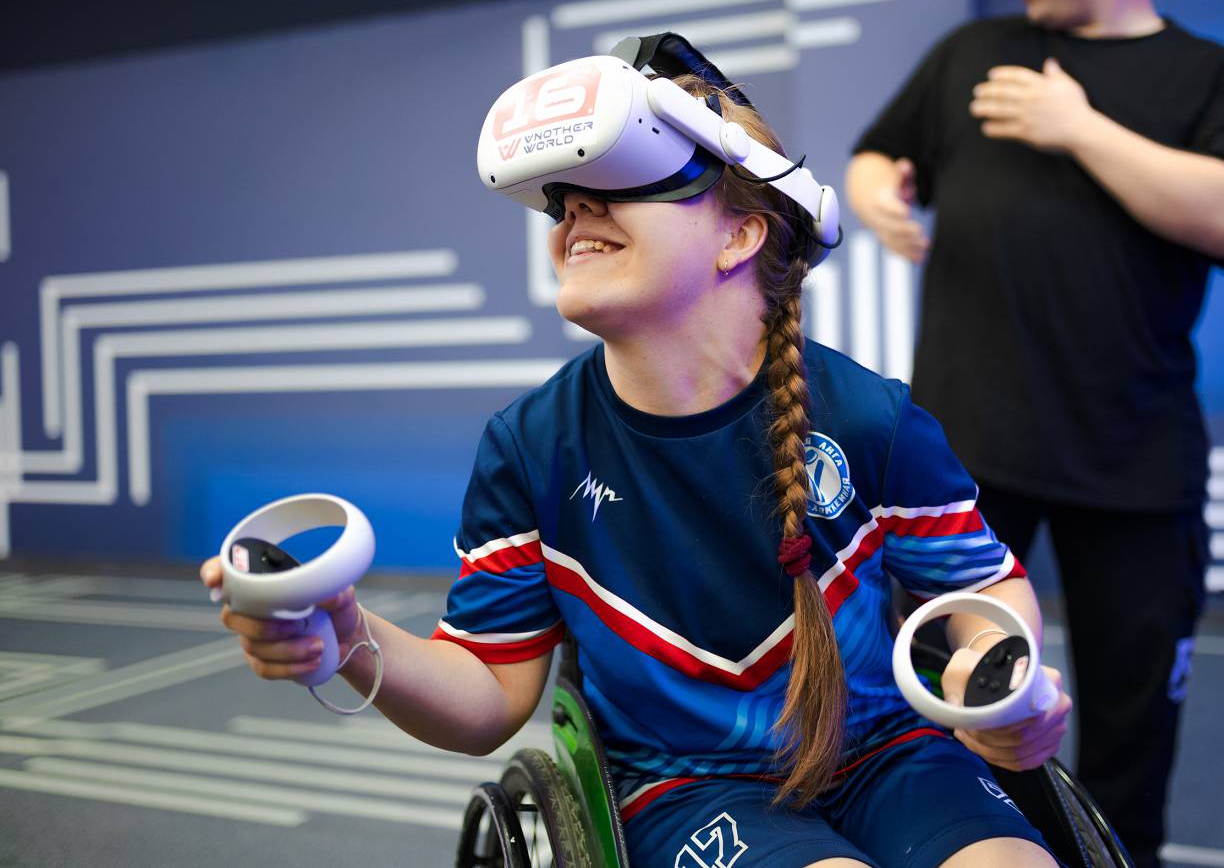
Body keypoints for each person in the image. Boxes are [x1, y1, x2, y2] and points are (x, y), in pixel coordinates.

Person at [202, 65, 1077, 867]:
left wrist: (998, 670)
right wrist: (347, 636)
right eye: (563, 199)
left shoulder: (872, 420)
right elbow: (489, 696)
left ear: (740, 234)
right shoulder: (532, 447)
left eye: (621, 180)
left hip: (891, 752)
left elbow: (985, 588)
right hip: (685, 788)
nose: (575, 210)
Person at [844, 0, 1224, 865]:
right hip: (965, 459)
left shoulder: (1217, 77)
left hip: (1135, 456)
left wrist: (1078, 127)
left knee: (1131, 737)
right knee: (947, 712)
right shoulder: (973, 51)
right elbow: (877, 152)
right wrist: (877, 190)